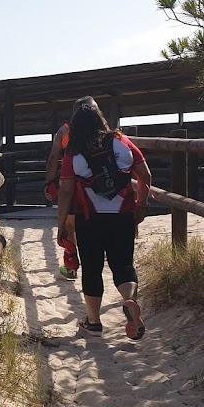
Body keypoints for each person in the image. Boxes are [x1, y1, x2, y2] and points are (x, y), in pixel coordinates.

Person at [56, 96, 151, 340]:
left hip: (90, 219)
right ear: (100, 118)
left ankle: (94, 322)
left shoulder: (73, 153)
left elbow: (66, 191)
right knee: (123, 265)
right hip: (123, 216)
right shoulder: (122, 141)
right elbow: (145, 176)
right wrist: (141, 205)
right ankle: (129, 300)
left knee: (92, 268)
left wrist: (62, 225)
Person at [45, 122, 79, 279]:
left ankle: (71, 267)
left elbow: (53, 157)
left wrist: (48, 182)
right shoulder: (100, 127)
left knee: (69, 225)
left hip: (72, 181)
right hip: (96, 185)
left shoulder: (65, 130)